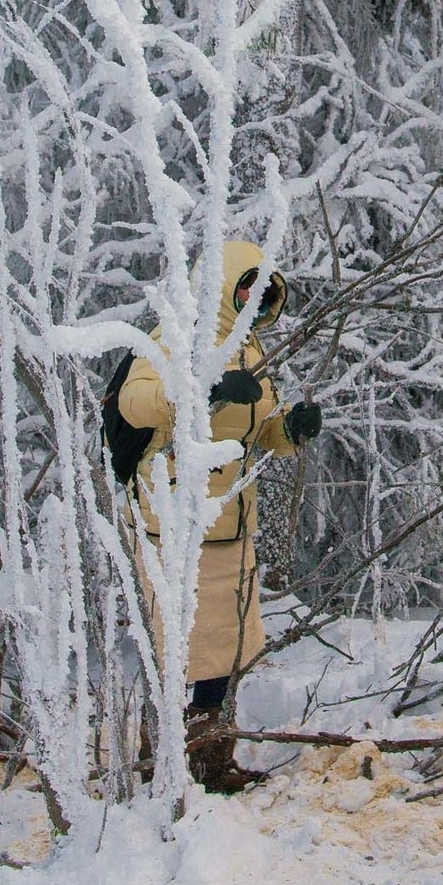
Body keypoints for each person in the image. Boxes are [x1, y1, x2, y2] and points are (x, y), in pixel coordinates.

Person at [118, 239, 322, 793]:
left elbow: (261, 432)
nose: (256, 304)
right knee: (177, 644)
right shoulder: (179, 336)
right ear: (225, 286)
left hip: (233, 523)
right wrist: (198, 391)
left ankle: (210, 756)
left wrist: (292, 433)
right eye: (247, 290)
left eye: (265, 296)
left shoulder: (252, 349)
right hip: (176, 523)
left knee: (225, 649)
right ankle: (161, 759)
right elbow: (134, 402)